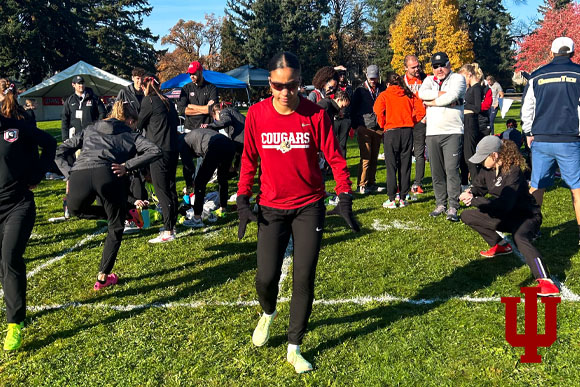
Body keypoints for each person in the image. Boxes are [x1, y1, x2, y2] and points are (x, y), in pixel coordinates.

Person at [237, 51, 359, 374]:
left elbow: (335, 157)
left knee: (304, 277)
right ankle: (268, 312)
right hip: (271, 208)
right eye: (278, 86)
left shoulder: (315, 115)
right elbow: (248, 159)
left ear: (300, 83)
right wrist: (242, 199)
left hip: (309, 206)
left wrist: (344, 195)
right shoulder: (256, 115)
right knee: (265, 278)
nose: (285, 92)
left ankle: (294, 346)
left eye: (292, 85)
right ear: (270, 85)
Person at [55, 101, 161, 290]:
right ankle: (103, 276)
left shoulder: (90, 128)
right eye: (135, 123)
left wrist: (69, 173)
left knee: (74, 211)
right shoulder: (130, 133)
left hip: (80, 173)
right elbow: (155, 150)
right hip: (108, 174)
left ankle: (123, 214)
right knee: (116, 224)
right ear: (129, 120)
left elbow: (60, 151)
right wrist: (127, 166)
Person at [460, 136, 559, 296]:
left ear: (495, 155)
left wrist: (475, 200)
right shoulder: (487, 170)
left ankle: (546, 281)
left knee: (520, 238)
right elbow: (478, 187)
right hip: (505, 216)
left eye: (483, 158)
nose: (480, 162)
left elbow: (505, 205)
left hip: (526, 216)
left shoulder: (513, 172)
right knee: (467, 215)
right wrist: (470, 192)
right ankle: (500, 245)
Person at [0, 111, 56, 351]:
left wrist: (38, 172)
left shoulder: (15, 128)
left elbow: (50, 142)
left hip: (18, 204)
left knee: (10, 257)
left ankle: (14, 323)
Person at [521, 36, 580, 244]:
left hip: (542, 139)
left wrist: (528, 132)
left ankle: (532, 229)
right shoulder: (578, 73)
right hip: (570, 138)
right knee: (577, 187)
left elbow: (527, 108)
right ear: (572, 53)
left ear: (551, 53)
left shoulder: (537, 76)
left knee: (537, 184)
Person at [419, 52, 466, 221]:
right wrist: (442, 96)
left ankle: (453, 206)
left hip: (452, 131)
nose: (439, 69)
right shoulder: (428, 80)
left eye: (442, 65)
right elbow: (422, 94)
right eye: (435, 66)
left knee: (452, 170)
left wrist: (432, 102)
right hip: (432, 132)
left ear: (449, 64)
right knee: (436, 171)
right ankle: (440, 203)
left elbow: (453, 96)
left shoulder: (458, 79)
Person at [137, 75, 180, 243]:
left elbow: (139, 124)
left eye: (142, 86)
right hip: (172, 148)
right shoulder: (168, 101)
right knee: (170, 187)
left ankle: (168, 230)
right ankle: (172, 225)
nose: (141, 89)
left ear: (147, 86)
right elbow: (176, 122)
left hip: (158, 150)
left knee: (162, 190)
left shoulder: (149, 101)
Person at [374, 72, 425, 208]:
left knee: (391, 166)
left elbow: (378, 111)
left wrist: (383, 124)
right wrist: (411, 120)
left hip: (391, 131)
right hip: (407, 131)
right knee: (405, 165)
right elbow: (421, 111)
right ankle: (403, 197)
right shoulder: (408, 94)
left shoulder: (384, 95)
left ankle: (391, 198)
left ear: (388, 84)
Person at [180, 128, 236, 227]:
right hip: (229, 144)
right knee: (222, 178)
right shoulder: (192, 135)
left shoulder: (183, 142)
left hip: (214, 146)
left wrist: (189, 184)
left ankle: (197, 218)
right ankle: (223, 208)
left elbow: (188, 166)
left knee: (200, 182)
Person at [351, 64, 386, 194]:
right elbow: (353, 109)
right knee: (365, 157)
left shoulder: (382, 89)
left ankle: (371, 183)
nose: (373, 81)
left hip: (378, 127)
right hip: (364, 126)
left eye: (375, 78)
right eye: (371, 78)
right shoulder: (360, 90)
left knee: (374, 157)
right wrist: (356, 126)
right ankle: (361, 184)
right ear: (366, 76)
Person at [403, 55, 428, 194]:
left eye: (418, 66)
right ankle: (404, 182)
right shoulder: (401, 81)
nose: (417, 69)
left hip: (420, 120)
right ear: (406, 68)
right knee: (405, 153)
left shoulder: (425, 78)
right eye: (413, 67)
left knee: (419, 152)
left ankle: (417, 183)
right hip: (405, 120)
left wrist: (426, 116)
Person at [458, 63, 484, 185]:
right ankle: (464, 182)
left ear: (469, 75)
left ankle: (476, 183)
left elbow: (478, 108)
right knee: (463, 155)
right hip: (465, 121)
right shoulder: (470, 89)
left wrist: (463, 105)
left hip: (471, 122)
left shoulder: (477, 88)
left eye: (463, 78)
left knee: (470, 155)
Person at [61, 75, 106, 141]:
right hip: (75, 136)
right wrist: (65, 137)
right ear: (73, 85)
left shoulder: (94, 98)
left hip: (91, 135)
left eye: (82, 83)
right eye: (79, 83)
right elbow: (65, 119)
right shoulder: (69, 100)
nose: (81, 85)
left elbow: (103, 113)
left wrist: (96, 127)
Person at [177, 61, 218, 131]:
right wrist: (205, 109)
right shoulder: (186, 88)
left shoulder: (211, 87)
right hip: (190, 129)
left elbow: (212, 109)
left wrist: (191, 106)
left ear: (200, 72)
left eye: (194, 74)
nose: (191, 76)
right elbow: (181, 109)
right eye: (190, 74)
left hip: (208, 128)